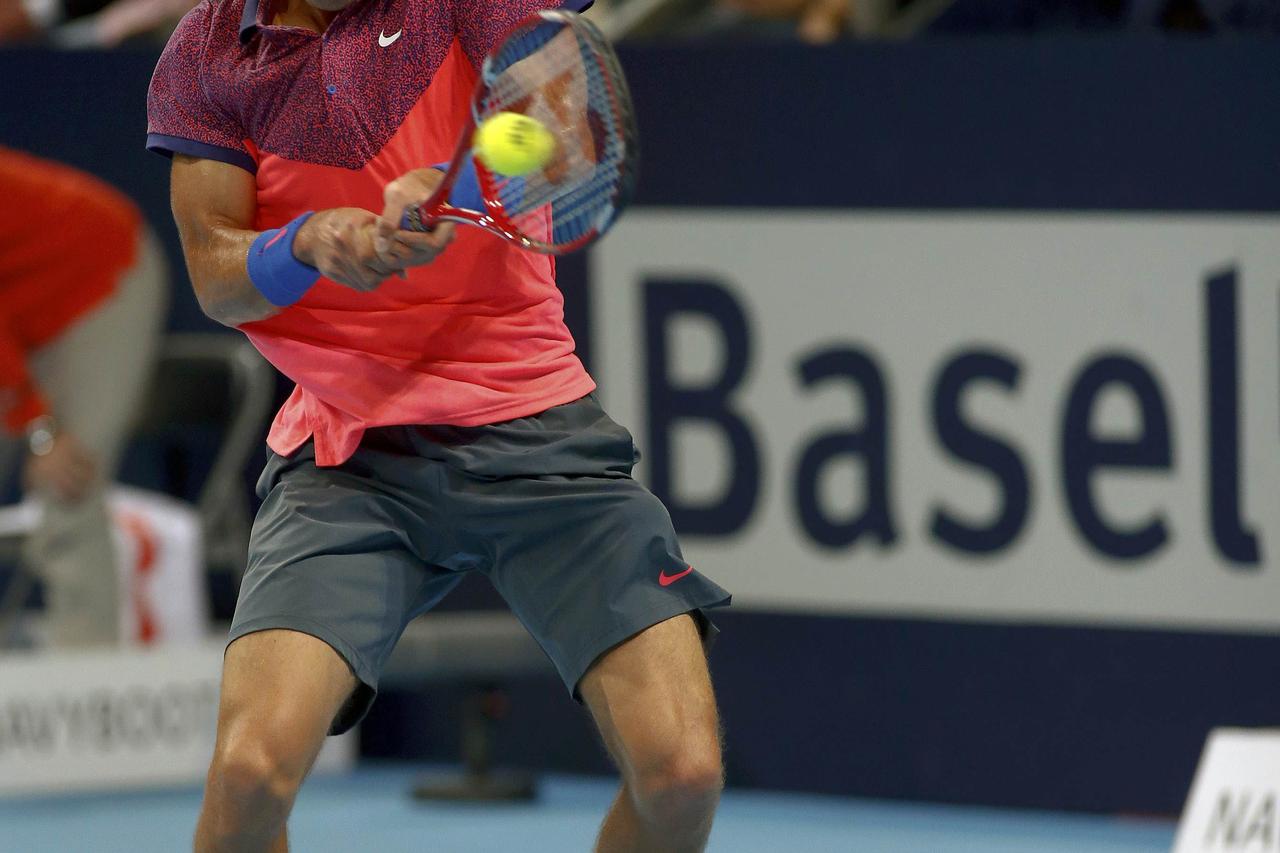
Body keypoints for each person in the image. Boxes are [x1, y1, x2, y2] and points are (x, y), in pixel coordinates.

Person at [145, 0, 732, 850]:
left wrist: (462, 179)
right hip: (347, 459)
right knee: (248, 774)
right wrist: (307, 243)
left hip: (538, 432)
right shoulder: (204, 53)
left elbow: (559, 139)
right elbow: (214, 272)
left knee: (683, 773)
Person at [0, 147, 167, 647]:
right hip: (21, 305)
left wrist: (41, 431)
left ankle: (87, 667)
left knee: (67, 481)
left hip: (98, 275)